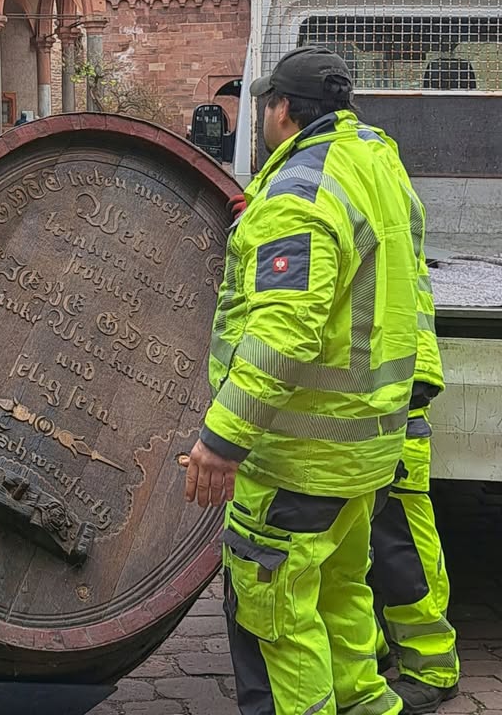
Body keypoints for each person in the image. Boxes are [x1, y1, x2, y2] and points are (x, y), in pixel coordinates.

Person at [183, 46, 422, 715]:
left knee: (276, 618)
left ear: (281, 110)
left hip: (299, 456)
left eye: (264, 104)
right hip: (363, 449)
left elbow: (284, 334)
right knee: (344, 600)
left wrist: (222, 440)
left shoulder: (301, 193)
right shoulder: (375, 164)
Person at [362, 125, 460, 713]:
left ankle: (431, 663)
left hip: (395, 391)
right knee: (365, 534)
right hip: (387, 386)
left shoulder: (366, 185)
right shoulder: (380, 176)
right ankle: (372, 653)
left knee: (396, 536)